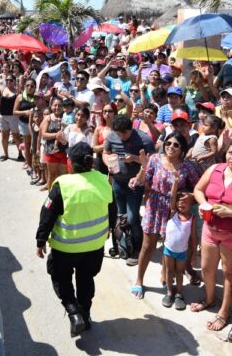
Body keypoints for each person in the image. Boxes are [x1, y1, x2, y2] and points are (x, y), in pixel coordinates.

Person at [35, 142, 116, 337]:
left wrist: (40, 240)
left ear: (70, 163)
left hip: (66, 247)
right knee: (86, 279)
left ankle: (73, 313)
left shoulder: (63, 185)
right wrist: (109, 230)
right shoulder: (103, 180)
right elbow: (112, 210)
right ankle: (85, 315)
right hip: (94, 246)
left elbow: (47, 215)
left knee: (61, 278)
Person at [192, 141, 232, 331]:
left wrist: (231, 214)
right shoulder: (214, 169)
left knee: (229, 273)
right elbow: (197, 190)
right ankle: (210, 299)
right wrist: (204, 204)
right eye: (230, 152)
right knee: (206, 268)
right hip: (210, 230)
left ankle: (224, 312)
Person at [129, 132, 198, 300]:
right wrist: (143, 168)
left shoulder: (187, 166)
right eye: (168, 143)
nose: (171, 147)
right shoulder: (154, 159)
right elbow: (141, 181)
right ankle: (139, 279)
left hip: (174, 211)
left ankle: (165, 276)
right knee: (147, 246)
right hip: (154, 206)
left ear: (182, 149)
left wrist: (189, 196)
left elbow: (198, 188)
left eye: (176, 144)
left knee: (170, 247)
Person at [103, 115, 156, 266]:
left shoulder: (144, 139)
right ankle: (124, 244)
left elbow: (152, 161)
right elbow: (105, 153)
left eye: (122, 134)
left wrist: (134, 158)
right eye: (117, 134)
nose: (119, 137)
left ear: (130, 129)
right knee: (122, 216)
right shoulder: (112, 136)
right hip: (118, 182)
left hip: (135, 184)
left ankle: (139, 249)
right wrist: (108, 163)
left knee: (133, 218)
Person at [161, 191, 194, 310]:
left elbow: (194, 238)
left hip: (182, 251)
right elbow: (172, 197)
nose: (181, 203)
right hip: (169, 250)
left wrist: (194, 253)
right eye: (179, 202)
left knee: (180, 272)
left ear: (191, 204)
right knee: (169, 272)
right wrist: (175, 182)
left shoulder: (191, 218)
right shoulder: (173, 213)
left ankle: (179, 294)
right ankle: (170, 292)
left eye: (185, 202)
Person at [39, 97, 68, 190]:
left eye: (60, 105)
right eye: (55, 105)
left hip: (64, 151)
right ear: (51, 106)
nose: (57, 107)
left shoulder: (67, 116)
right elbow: (44, 134)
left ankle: (63, 196)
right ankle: (51, 196)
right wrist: (57, 135)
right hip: (51, 151)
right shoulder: (48, 118)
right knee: (52, 175)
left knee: (64, 176)